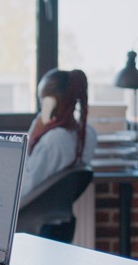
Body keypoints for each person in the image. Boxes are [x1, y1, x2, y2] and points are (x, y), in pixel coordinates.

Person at [21, 68, 98, 198]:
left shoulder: (54, 140)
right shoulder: (89, 134)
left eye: (42, 100)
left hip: (33, 212)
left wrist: (33, 135)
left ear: (50, 103)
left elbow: (25, 188)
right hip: (54, 212)